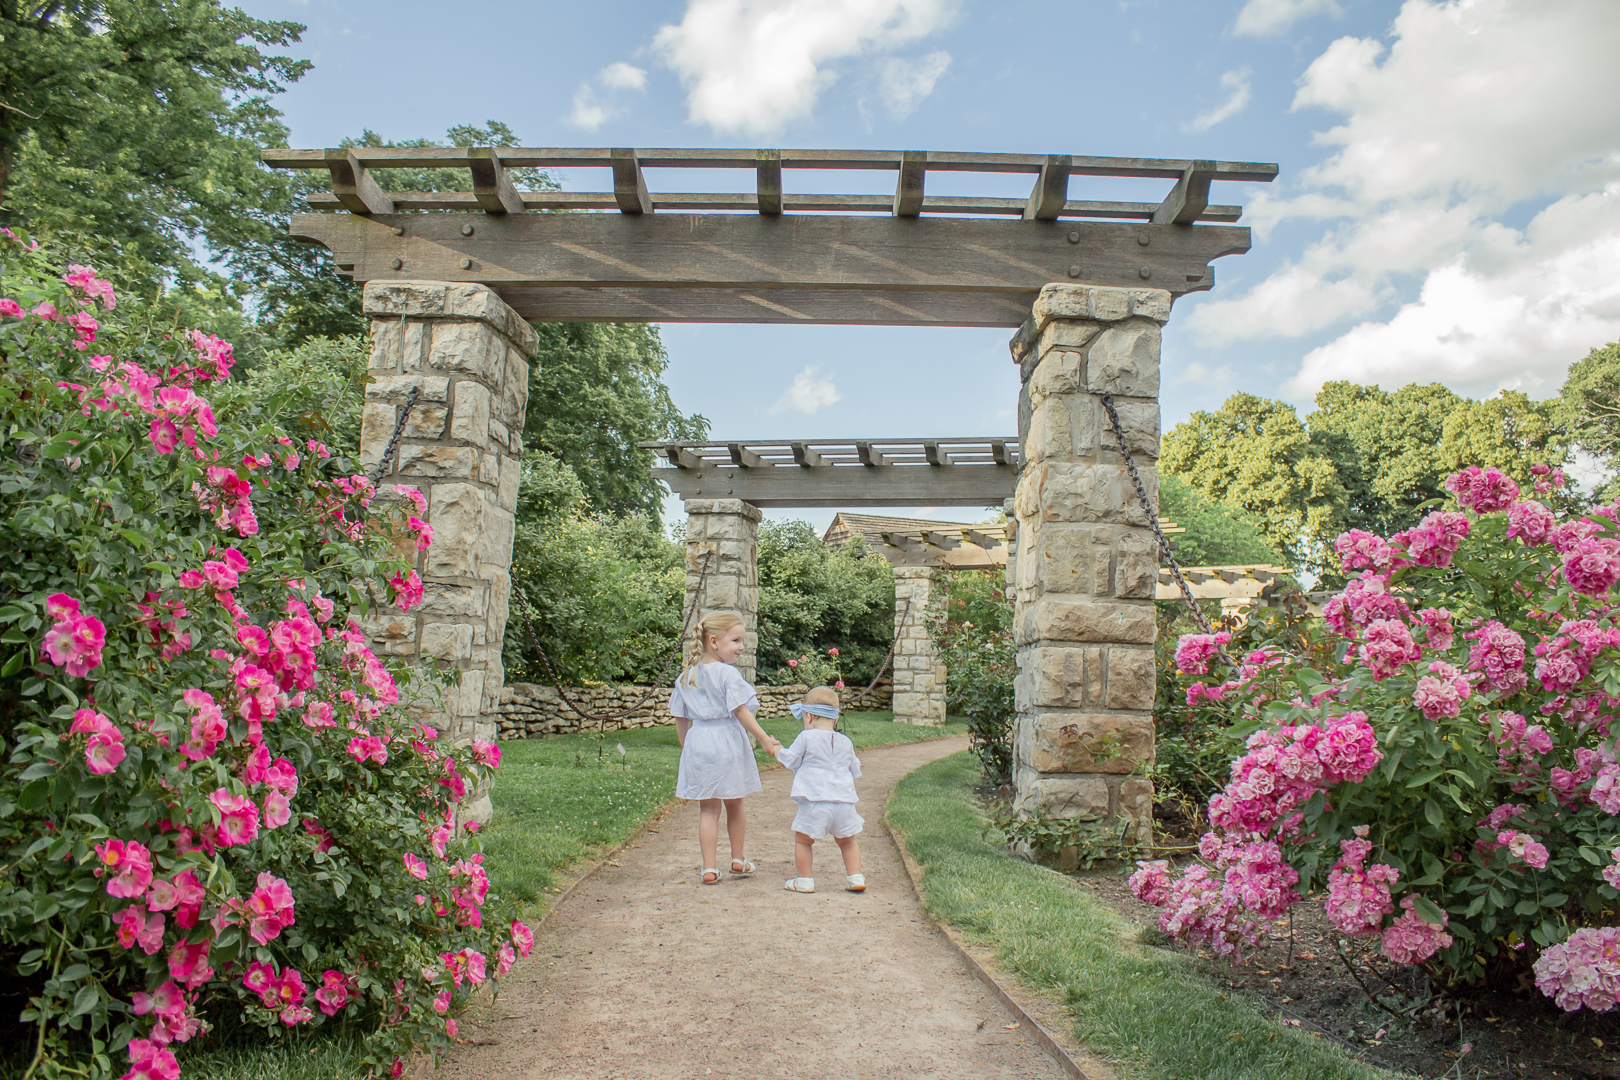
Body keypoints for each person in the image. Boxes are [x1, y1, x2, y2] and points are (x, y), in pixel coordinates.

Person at [670, 610, 782, 886]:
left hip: (699, 742)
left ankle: (709, 868)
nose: (741, 647)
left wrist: (687, 749)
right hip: (727, 742)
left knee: (708, 809)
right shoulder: (727, 674)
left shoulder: (687, 676)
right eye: (735, 640)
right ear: (714, 642)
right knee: (735, 802)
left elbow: (680, 718)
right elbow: (740, 711)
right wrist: (764, 738)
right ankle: (737, 859)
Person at [776, 686, 865, 894]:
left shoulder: (806, 738)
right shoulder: (845, 741)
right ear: (835, 720)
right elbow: (855, 768)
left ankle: (805, 880)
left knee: (803, 840)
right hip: (844, 802)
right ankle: (855, 877)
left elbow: (790, 760)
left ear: (807, 716)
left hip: (815, 801)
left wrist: (776, 749)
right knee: (848, 841)